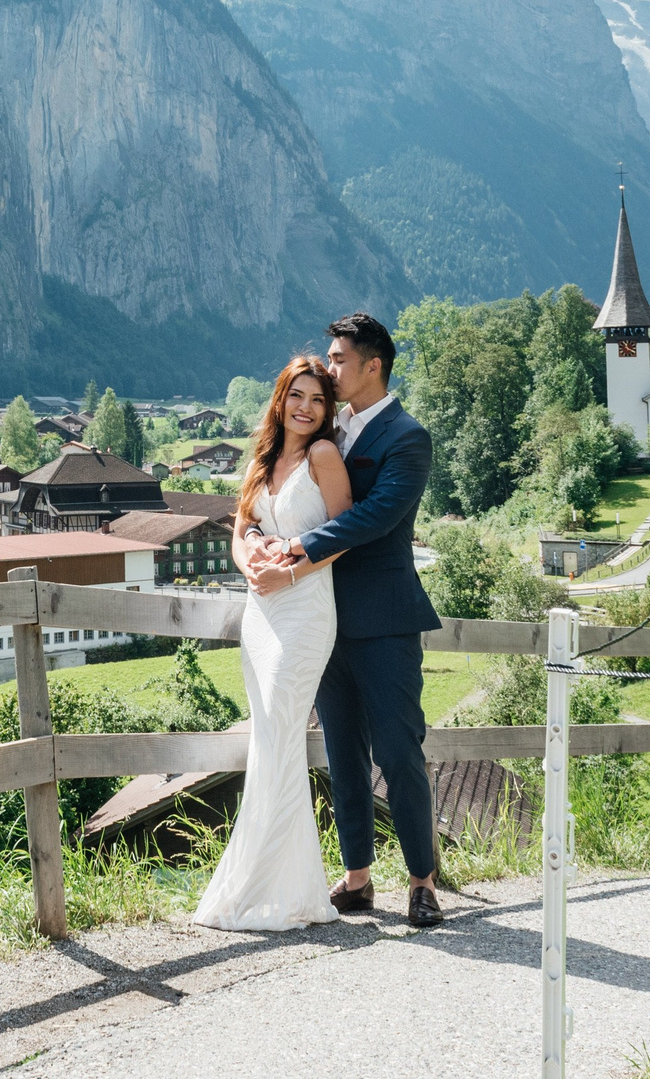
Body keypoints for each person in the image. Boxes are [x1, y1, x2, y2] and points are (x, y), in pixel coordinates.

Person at [258, 312, 444, 927]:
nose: (330, 368)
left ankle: (422, 881)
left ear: (372, 367)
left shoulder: (407, 437)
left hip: (386, 619)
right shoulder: (331, 428)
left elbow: (378, 516)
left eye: (338, 360)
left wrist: (297, 549)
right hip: (324, 617)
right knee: (342, 752)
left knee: (398, 750)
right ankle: (358, 878)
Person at [193, 354, 348, 930]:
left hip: (306, 609)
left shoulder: (323, 456)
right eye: (297, 396)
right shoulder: (261, 460)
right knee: (269, 740)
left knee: (283, 730)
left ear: (326, 409)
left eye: (317, 398)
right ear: (280, 399)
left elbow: (343, 535)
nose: (306, 407)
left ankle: (253, 885)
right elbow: (238, 530)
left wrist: (290, 569)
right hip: (259, 612)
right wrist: (251, 562)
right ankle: (299, 889)